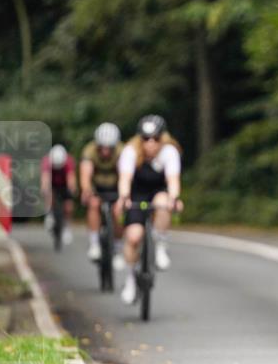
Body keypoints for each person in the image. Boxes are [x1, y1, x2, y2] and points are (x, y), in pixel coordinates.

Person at [117, 115, 183, 305]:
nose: (151, 143)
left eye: (155, 138)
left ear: (163, 138)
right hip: (136, 194)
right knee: (133, 237)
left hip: (158, 192)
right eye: (146, 139)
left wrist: (174, 198)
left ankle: (160, 244)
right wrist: (124, 198)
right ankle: (130, 279)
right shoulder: (130, 151)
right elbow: (125, 179)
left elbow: (173, 180)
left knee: (163, 202)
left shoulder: (169, 152)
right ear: (140, 139)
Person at [79, 122, 124, 264]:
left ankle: (117, 247)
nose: (105, 151)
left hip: (116, 187)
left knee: (118, 212)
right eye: (102, 147)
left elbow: (124, 174)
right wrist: (86, 190)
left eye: (109, 148)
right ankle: (94, 243)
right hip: (97, 188)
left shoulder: (121, 151)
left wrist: (124, 195)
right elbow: (85, 174)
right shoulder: (90, 150)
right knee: (93, 204)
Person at [41, 144, 77, 245]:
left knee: (69, 206)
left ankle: (67, 227)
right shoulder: (46, 162)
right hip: (52, 184)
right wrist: (45, 190)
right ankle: (49, 214)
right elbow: (45, 179)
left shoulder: (69, 161)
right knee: (48, 194)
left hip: (64, 184)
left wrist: (72, 191)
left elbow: (71, 179)